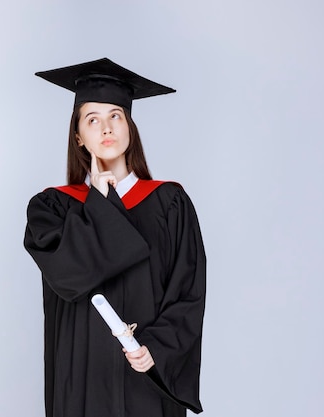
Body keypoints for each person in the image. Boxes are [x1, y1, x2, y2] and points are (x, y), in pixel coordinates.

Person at [23, 58, 206, 417]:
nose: (106, 127)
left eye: (116, 116)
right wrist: (98, 201)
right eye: (92, 119)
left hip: (144, 374)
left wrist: (156, 346)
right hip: (83, 375)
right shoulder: (51, 208)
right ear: (78, 136)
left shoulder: (170, 203)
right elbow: (68, 277)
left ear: (130, 128)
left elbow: (188, 291)